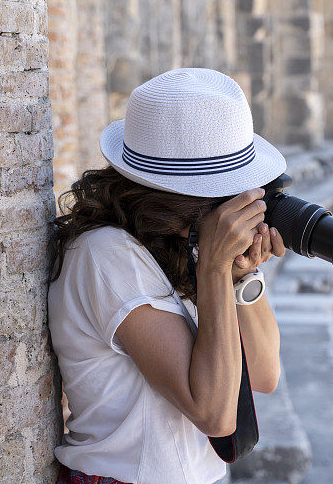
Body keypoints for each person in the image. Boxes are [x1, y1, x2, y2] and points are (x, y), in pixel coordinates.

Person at [47, 68, 287, 484]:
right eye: (227, 193)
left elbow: (264, 375)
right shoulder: (106, 254)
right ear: (175, 199)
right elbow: (213, 413)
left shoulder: (174, 243)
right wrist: (212, 268)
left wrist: (240, 278)